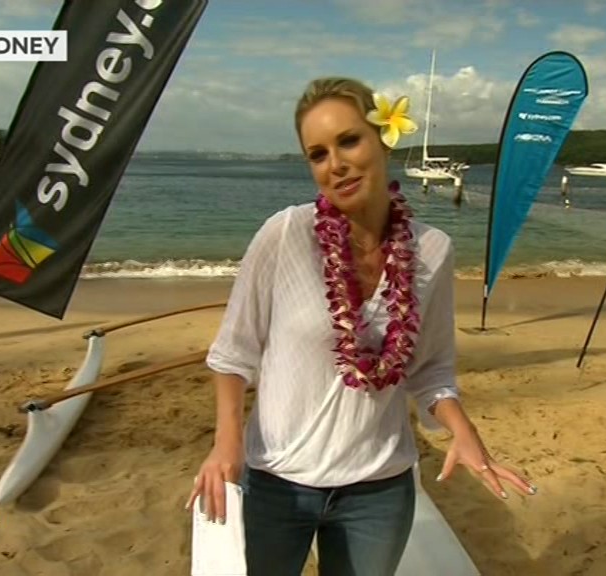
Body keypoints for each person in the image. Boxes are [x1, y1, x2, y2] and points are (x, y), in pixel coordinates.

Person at [187, 77, 536, 576]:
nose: (335, 164)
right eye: (318, 154)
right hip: (278, 482)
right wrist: (227, 444)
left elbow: (431, 370)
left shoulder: (433, 251)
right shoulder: (285, 235)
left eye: (349, 140)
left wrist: (465, 432)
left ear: (383, 140)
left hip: (379, 489)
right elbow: (232, 353)